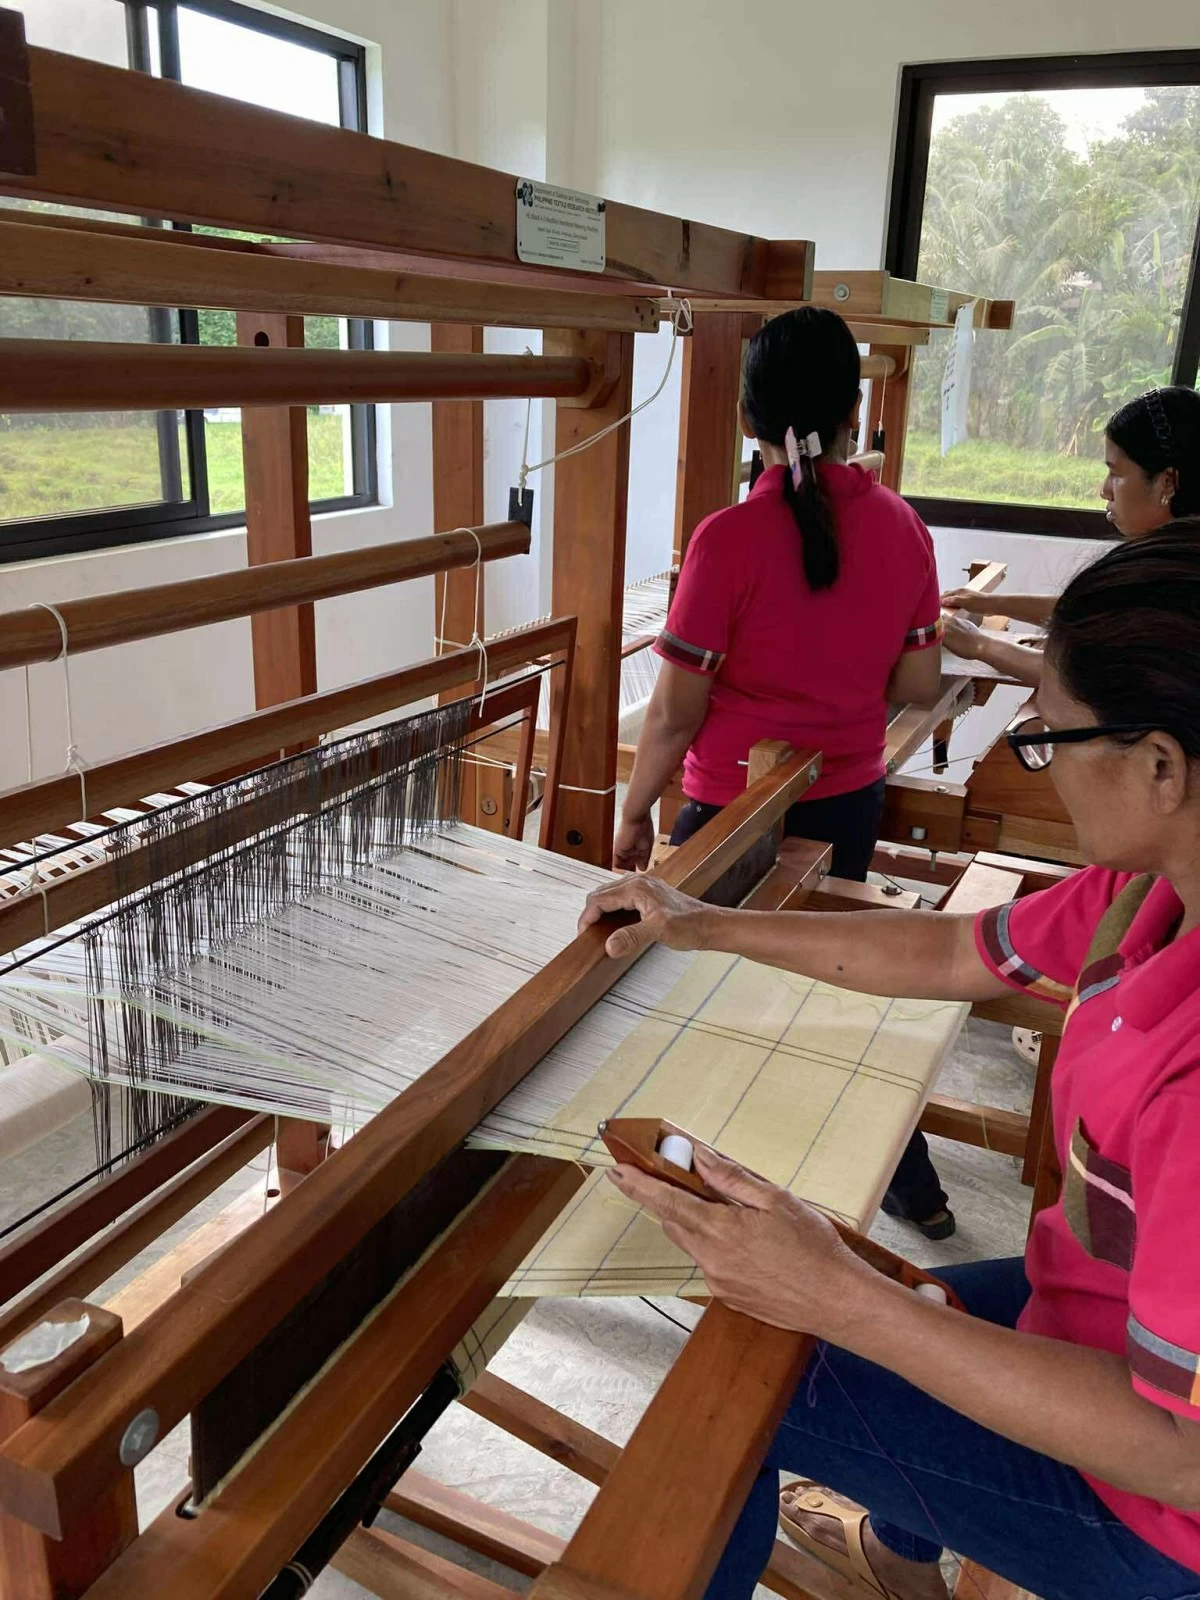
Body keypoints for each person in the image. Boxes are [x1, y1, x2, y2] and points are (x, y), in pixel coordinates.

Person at [579, 525, 1200, 1600]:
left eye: (1048, 738)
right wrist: (702, 923)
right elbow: (955, 947)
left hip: (1153, 1512)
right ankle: (904, 1560)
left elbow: (1180, 1452)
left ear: (1161, 766)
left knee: (745, 1392)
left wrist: (848, 1301)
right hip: (1088, 1299)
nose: (1036, 764)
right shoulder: (1148, 893)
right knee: (822, 1311)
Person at [614, 306, 954, 1239]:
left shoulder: (725, 540)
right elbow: (918, 683)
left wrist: (636, 812)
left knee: (681, 991)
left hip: (732, 819)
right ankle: (906, 1178)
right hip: (846, 800)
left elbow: (677, 712)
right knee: (840, 973)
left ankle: (688, 1176)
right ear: (856, 407)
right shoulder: (903, 529)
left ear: (747, 420)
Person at [941, 386, 1200, 687]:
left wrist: (980, 645)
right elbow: (1096, 608)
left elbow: (1083, 677)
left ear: (1166, 482)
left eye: (1116, 474)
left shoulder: (1180, 582)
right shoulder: (1174, 559)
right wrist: (990, 603)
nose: (1105, 490)